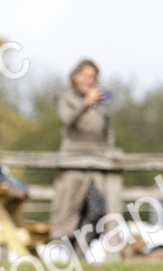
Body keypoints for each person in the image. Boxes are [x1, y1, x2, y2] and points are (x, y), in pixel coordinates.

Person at [51, 59, 114, 247]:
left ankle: (81, 252)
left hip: (98, 164)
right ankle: (70, 257)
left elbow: (108, 132)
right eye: (86, 76)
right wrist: (85, 104)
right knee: (69, 211)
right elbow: (65, 120)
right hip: (73, 163)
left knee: (98, 209)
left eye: (93, 77)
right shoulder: (66, 99)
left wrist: (110, 153)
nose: (90, 80)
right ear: (75, 77)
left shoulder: (102, 103)